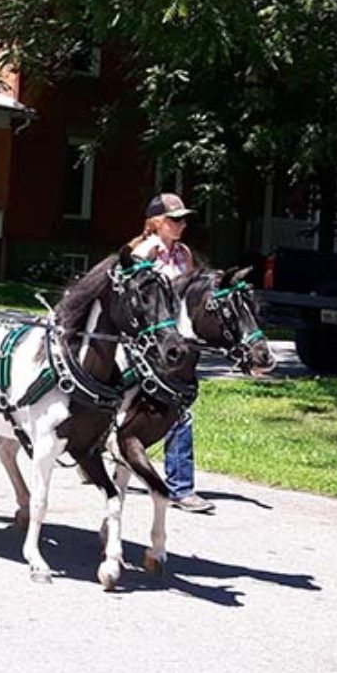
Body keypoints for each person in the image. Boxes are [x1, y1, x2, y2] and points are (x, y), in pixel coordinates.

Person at [130, 191, 213, 514]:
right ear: (156, 222)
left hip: (173, 341)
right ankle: (180, 488)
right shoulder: (145, 252)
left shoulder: (183, 254)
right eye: (174, 219)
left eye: (183, 220)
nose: (181, 225)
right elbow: (133, 296)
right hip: (147, 340)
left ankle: (180, 486)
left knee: (177, 408)